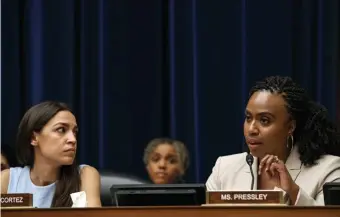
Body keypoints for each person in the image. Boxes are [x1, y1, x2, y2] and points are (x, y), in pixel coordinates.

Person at [206, 76, 340, 206]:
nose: (252, 129)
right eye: (248, 118)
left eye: (264, 120)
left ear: (290, 127)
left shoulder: (328, 170)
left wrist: (293, 192)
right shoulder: (224, 168)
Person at [1, 101, 102, 208]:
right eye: (61, 130)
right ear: (34, 138)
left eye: (74, 132)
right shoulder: (7, 179)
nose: (73, 140)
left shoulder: (84, 175)